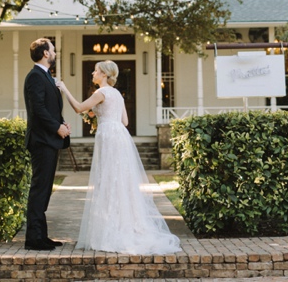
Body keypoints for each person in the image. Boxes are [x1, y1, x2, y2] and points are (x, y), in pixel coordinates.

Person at [57, 60, 181, 255]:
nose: (93, 73)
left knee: (107, 179)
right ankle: (125, 224)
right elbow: (125, 121)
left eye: (96, 71)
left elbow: (79, 108)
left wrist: (64, 89)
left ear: (104, 75)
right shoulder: (117, 95)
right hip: (120, 135)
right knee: (120, 180)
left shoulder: (100, 93)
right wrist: (101, 115)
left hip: (108, 135)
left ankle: (110, 229)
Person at [23, 38, 70, 251]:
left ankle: (42, 235)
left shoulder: (45, 76)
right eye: (52, 49)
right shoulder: (35, 77)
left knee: (45, 190)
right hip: (41, 140)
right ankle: (33, 238)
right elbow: (38, 109)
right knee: (39, 189)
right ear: (45, 54)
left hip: (49, 139)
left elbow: (49, 109)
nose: (55, 52)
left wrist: (61, 124)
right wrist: (56, 127)